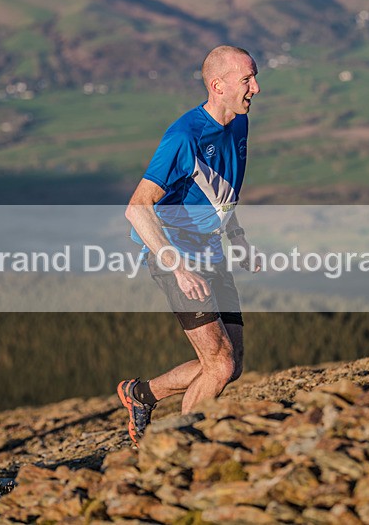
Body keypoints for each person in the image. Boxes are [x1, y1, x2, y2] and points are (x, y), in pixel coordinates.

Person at [117, 45, 261, 447]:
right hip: (175, 253)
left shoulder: (238, 123)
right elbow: (136, 207)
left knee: (230, 365)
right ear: (218, 85)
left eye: (254, 77)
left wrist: (237, 236)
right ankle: (182, 450)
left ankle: (140, 395)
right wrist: (177, 264)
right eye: (247, 80)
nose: (257, 88)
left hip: (211, 248)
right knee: (219, 364)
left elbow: (219, 192)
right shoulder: (184, 136)